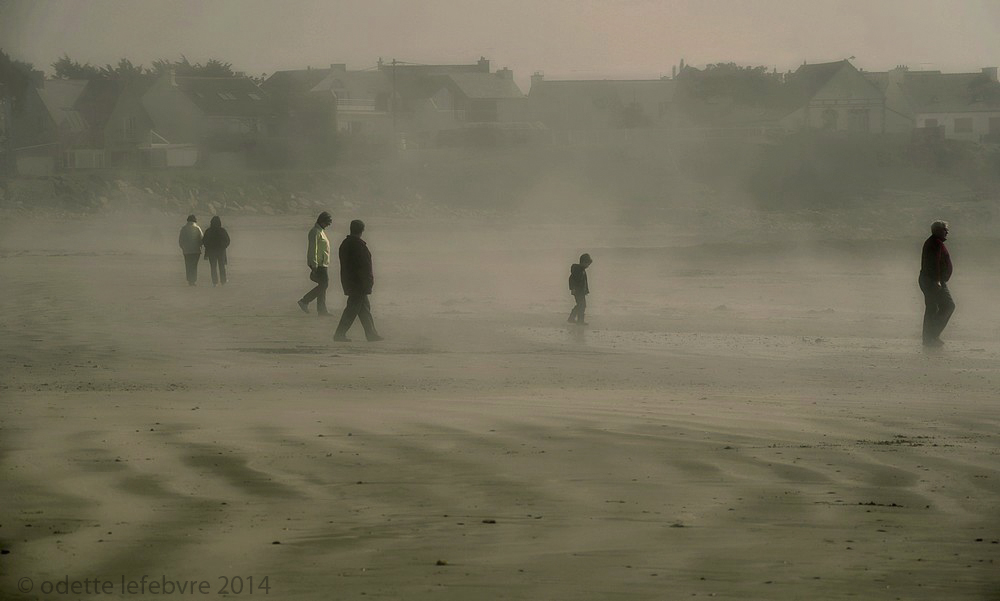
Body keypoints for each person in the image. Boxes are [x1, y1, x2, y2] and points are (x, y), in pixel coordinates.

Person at [333, 220, 383, 342]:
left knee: (364, 308)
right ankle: (339, 334)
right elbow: (364, 267)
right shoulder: (358, 245)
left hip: (350, 282)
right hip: (358, 284)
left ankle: (371, 334)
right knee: (352, 308)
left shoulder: (345, 243)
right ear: (362, 230)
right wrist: (368, 283)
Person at [919, 220, 955, 346]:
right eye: (945, 229)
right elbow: (933, 264)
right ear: (938, 230)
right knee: (948, 306)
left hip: (930, 279)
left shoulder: (935, 242)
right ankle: (931, 336)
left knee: (932, 308)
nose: (947, 232)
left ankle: (929, 338)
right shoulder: (935, 243)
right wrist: (938, 280)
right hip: (933, 280)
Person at [298, 212, 333, 316]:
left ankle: (322, 310)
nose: (328, 225)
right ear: (321, 221)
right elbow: (313, 249)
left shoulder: (320, 231)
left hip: (323, 263)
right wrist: (314, 265)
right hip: (318, 264)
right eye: (327, 223)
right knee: (324, 285)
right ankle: (304, 301)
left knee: (323, 285)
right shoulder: (315, 232)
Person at [201, 216, 231, 286]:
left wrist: (208, 247)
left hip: (211, 252)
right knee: (222, 266)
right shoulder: (222, 230)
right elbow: (228, 240)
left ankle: (215, 282)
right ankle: (223, 281)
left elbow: (204, 241)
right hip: (221, 251)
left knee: (213, 267)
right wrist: (224, 246)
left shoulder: (208, 231)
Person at [567, 253, 593, 325]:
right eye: (587, 264)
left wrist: (586, 290)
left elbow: (584, 282)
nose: (588, 266)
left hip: (581, 291)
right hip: (577, 291)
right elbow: (571, 279)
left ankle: (573, 319)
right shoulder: (577, 270)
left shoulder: (582, 270)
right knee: (581, 305)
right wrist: (572, 288)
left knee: (581, 305)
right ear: (583, 262)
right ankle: (579, 320)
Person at [178, 214, 203, 286]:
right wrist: (200, 246)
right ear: (195, 220)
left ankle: (189, 280)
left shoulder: (183, 228)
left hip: (186, 251)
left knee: (188, 265)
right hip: (196, 250)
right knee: (194, 265)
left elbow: (180, 240)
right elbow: (201, 238)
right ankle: (193, 280)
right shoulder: (198, 228)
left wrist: (183, 247)